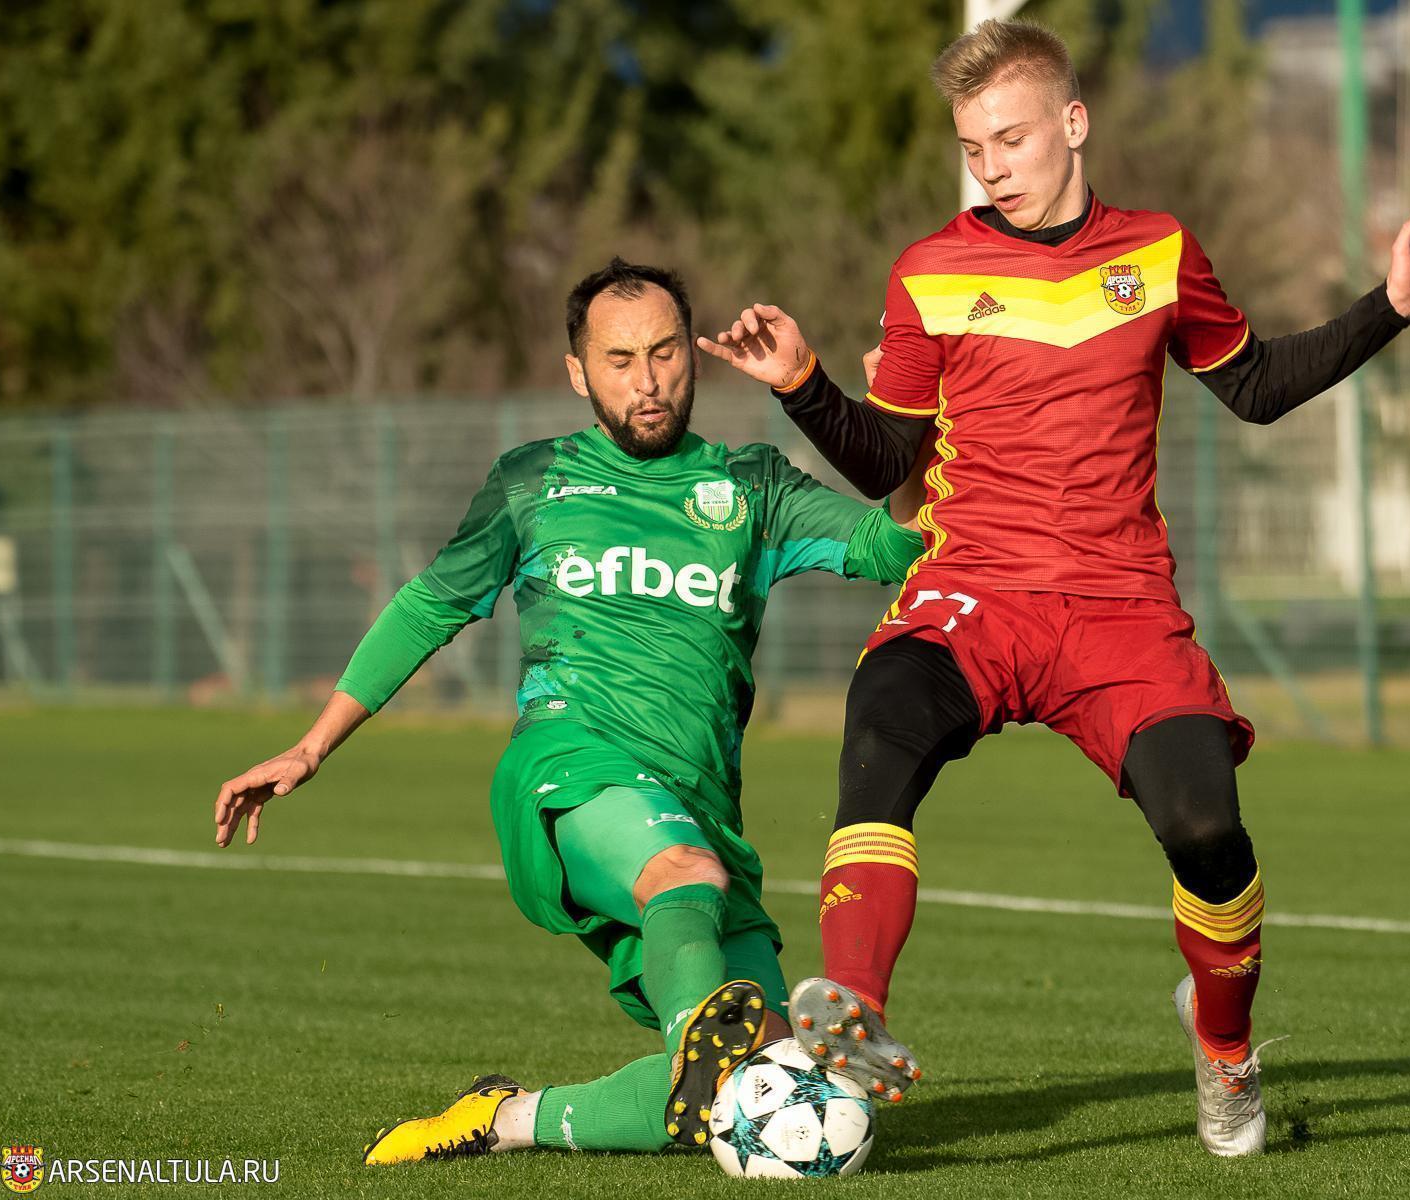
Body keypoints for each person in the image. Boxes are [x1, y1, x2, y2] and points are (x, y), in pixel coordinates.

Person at [698, 19, 1410, 1156]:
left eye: (1010, 139)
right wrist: (804, 383)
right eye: (973, 148)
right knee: (882, 718)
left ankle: (1225, 1050)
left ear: (1074, 123)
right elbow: (885, 461)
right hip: (976, 588)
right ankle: (853, 1012)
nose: (991, 166)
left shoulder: (1158, 251)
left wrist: (1390, 306)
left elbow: (1256, 387)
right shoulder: (930, 269)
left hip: (1120, 608)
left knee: (1208, 830)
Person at [212, 258, 923, 1163]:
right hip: (571, 767)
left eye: (664, 352)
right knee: (683, 877)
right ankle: (704, 1043)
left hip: (700, 803)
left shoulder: (752, 485)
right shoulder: (534, 481)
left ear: (694, 356)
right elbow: (429, 607)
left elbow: (898, 547)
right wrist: (311, 747)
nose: (646, 380)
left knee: (752, 1083)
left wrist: (908, 426)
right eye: (619, 360)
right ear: (578, 373)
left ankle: (506, 1117)